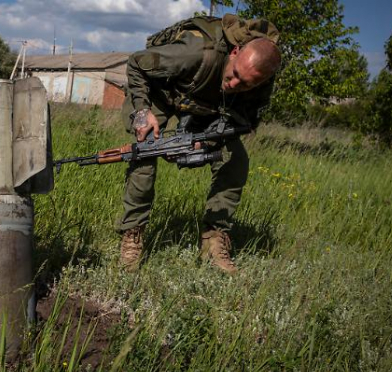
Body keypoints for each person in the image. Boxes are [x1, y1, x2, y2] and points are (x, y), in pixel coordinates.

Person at [117, 14, 281, 273]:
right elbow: (136, 63)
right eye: (235, 74)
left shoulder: (260, 80)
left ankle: (214, 239)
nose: (235, 84)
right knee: (145, 150)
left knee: (235, 158)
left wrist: (207, 140)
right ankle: (132, 234)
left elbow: (245, 122)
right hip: (160, 93)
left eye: (245, 84)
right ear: (235, 52)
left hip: (205, 105)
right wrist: (141, 111)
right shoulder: (196, 52)